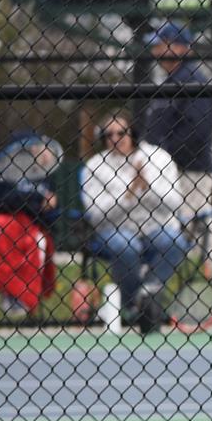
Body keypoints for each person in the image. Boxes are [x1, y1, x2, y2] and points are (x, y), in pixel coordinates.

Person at [142, 24, 212, 318]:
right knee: (165, 230)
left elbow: (197, 132)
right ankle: (146, 298)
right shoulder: (168, 80)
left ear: (181, 47)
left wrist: (161, 154)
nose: (156, 50)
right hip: (165, 172)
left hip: (189, 173)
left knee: (203, 233)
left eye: (163, 44)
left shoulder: (193, 79)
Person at [82, 109, 193, 331]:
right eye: (109, 135)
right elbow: (94, 213)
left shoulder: (159, 158)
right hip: (115, 229)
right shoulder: (94, 166)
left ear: (133, 132)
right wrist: (127, 195)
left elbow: (175, 202)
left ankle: (147, 291)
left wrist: (148, 188)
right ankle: (134, 303)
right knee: (126, 245)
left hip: (157, 226)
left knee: (174, 241)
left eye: (121, 133)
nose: (115, 139)